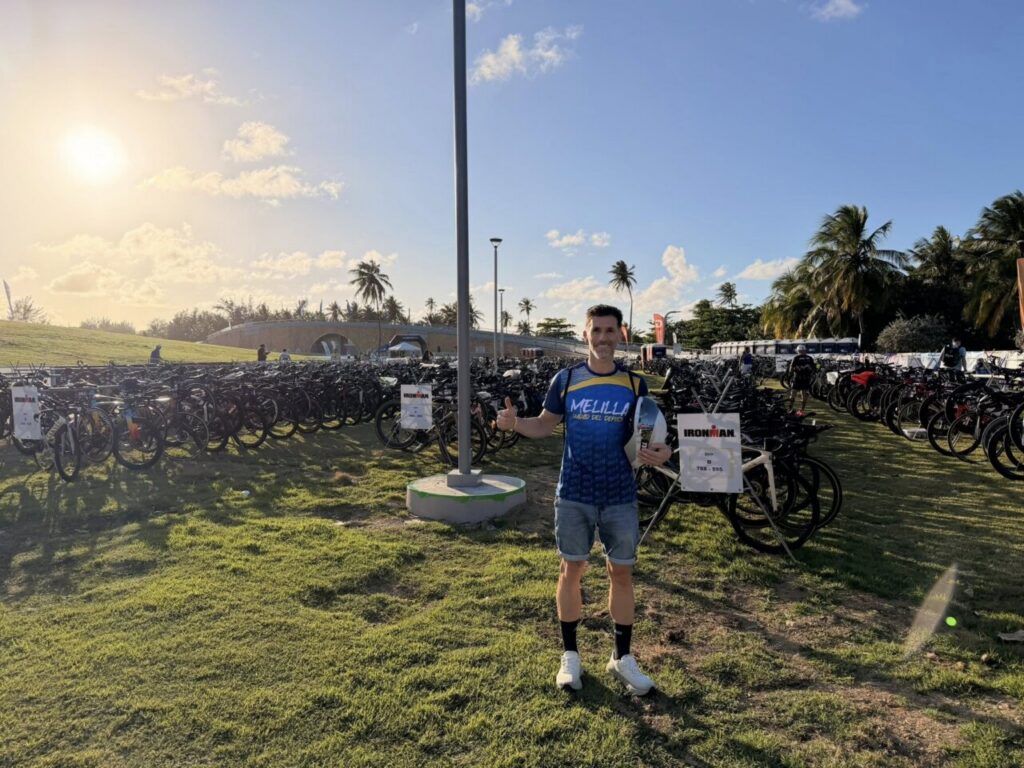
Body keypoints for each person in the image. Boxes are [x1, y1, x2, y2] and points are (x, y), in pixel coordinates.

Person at [496, 304, 671, 695]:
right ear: (585, 334)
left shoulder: (634, 384)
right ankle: (570, 656)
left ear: (620, 334)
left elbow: (655, 437)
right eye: (597, 331)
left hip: (620, 495)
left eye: (611, 331)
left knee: (621, 574)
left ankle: (621, 658)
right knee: (571, 571)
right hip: (574, 492)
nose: (604, 339)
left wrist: (663, 453)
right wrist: (515, 424)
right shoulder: (567, 378)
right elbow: (544, 424)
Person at [787, 344, 816, 414]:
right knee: (804, 395)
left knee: (793, 394)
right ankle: (802, 410)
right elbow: (814, 368)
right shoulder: (810, 358)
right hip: (806, 379)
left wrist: (790, 374)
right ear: (805, 350)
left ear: (798, 351)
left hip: (797, 378)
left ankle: (789, 409)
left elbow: (791, 368)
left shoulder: (796, 358)